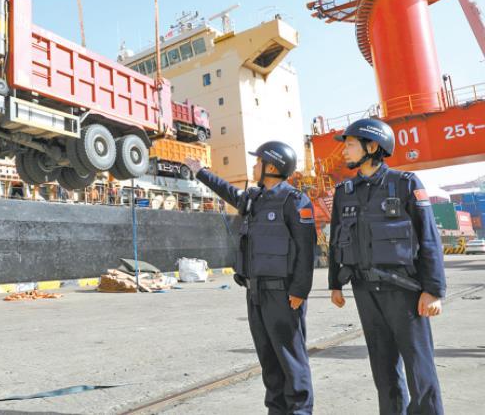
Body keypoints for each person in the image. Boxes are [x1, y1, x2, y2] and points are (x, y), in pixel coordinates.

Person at [185, 141, 316, 414]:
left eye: (258, 162)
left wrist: (300, 291)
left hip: (283, 294)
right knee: (269, 361)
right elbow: (228, 191)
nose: (254, 166)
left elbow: (306, 250)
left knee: (291, 360)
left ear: (272, 167)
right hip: (255, 293)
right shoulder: (254, 199)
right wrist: (200, 172)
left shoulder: (294, 201)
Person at [329, 118, 446, 414]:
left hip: (404, 291)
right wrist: (335, 283)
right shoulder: (344, 192)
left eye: (350, 144)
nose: (344, 151)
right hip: (365, 290)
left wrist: (433, 290)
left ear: (372, 146)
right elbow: (335, 240)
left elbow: (429, 238)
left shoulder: (405, 183)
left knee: (419, 370)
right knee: (383, 371)